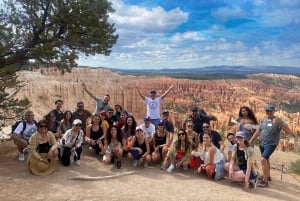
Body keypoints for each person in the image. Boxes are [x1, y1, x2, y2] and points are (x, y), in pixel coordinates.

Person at [250, 104, 293, 187]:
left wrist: (280, 124)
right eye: (267, 110)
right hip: (262, 143)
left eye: (270, 110)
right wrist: (250, 141)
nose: (268, 112)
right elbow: (258, 131)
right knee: (266, 159)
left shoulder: (278, 120)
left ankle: (265, 181)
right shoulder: (263, 120)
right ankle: (267, 175)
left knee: (263, 159)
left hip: (271, 144)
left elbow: (289, 132)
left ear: (274, 111)